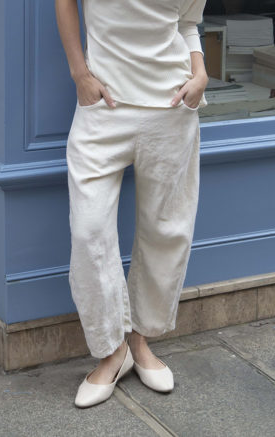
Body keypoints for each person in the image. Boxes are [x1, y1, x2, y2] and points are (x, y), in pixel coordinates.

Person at [55, 0, 208, 408]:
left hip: (173, 107)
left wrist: (201, 72)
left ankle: (140, 342)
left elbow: (188, 22)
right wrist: (79, 73)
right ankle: (111, 350)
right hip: (103, 108)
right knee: (88, 231)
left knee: (166, 230)